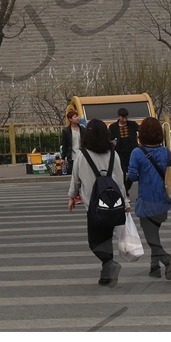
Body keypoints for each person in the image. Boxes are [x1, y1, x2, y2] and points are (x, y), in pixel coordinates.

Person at [68, 118, 128, 285]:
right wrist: (126, 204)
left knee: (94, 242)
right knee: (106, 239)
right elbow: (120, 181)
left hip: (93, 206)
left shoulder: (81, 154)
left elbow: (76, 179)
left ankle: (109, 263)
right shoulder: (113, 155)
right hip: (112, 204)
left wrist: (72, 197)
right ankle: (106, 275)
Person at [125, 117, 171, 280]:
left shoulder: (137, 152)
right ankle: (154, 268)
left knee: (151, 237)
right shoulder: (166, 152)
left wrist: (125, 190)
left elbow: (132, 176)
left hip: (147, 200)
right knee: (154, 232)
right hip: (163, 200)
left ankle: (166, 259)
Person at [108, 108, 139, 175]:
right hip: (119, 151)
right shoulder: (112, 127)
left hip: (131, 150)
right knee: (122, 171)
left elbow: (141, 130)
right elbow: (109, 138)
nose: (125, 120)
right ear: (118, 116)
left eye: (126, 118)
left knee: (132, 170)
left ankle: (127, 184)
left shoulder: (132, 124)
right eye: (123, 118)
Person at [59, 108, 81, 175]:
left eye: (77, 116)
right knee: (74, 174)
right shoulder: (66, 131)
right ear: (70, 119)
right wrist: (63, 158)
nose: (77, 118)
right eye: (75, 117)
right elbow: (65, 145)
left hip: (82, 155)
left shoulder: (82, 129)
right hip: (72, 156)